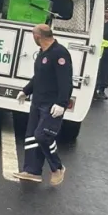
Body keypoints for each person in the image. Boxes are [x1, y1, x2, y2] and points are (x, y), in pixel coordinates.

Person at [16, 24, 71, 185]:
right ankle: (32, 171)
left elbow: (66, 81)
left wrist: (61, 103)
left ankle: (57, 167)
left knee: (43, 135)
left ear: (38, 36)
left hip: (51, 104)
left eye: (33, 35)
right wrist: (26, 90)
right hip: (38, 100)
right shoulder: (42, 52)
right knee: (32, 137)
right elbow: (39, 76)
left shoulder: (59, 53)